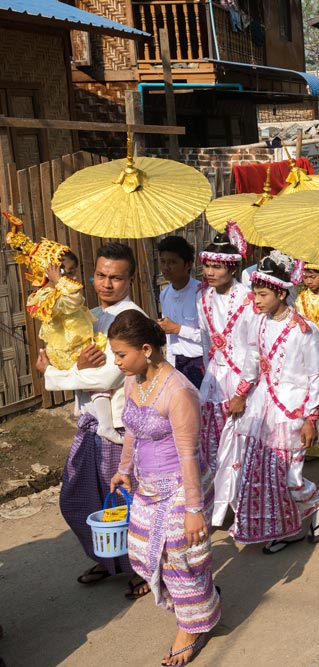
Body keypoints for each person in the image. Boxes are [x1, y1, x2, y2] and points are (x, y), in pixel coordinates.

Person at [107, 311, 219, 665]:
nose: (116, 361)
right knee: (143, 553)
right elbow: (132, 431)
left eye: (121, 354)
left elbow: (189, 456)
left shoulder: (180, 391)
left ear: (146, 348)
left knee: (179, 557)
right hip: (147, 485)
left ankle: (193, 626)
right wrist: (124, 469)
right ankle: (202, 599)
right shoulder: (133, 381)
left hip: (182, 487)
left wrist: (193, 511)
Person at [39, 242, 147, 596]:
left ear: (131, 279)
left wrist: (54, 377)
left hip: (119, 426)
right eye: (101, 275)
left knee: (122, 501)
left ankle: (140, 568)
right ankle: (109, 558)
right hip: (90, 421)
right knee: (78, 497)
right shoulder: (86, 314)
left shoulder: (132, 319)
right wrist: (71, 367)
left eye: (116, 277)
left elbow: (106, 377)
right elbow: (71, 359)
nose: (106, 284)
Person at [230, 254, 319, 552]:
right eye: (255, 294)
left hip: (292, 412)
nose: (256, 300)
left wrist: (312, 419)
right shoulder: (258, 323)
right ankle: (290, 527)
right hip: (263, 410)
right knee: (267, 476)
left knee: (292, 478)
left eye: (262, 294)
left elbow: (315, 377)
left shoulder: (304, 330)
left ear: (281, 293)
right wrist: (241, 393)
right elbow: (250, 362)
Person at [5, 215, 121, 446]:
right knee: (96, 382)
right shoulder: (49, 296)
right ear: (47, 273)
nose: (74, 277)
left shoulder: (59, 291)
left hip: (77, 345)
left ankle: (92, 415)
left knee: (95, 386)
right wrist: (59, 281)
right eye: (67, 272)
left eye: (74, 271)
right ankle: (106, 425)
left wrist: (60, 281)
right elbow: (75, 299)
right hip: (69, 350)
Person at [196, 228, 257, 528]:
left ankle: (244, 508)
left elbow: (255, 349)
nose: (210, 272)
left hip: (242, 384)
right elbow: (207, 344)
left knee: (241, 449)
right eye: (207, 265)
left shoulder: (248, 299)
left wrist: (243, 392)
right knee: (212, 446)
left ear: (232, 267)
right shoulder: (203, 298)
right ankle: (219, 505)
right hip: (214, 383)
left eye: (217, 266)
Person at [156, 237, 204, 390]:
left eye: (172, 262)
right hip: (176, 364)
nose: (166, 267)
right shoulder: (165, 295)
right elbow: (170, 340)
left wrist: (178, 329)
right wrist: (169, 367)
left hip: (200, 363)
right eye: (163, 262)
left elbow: (210, 338)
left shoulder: (202, 294)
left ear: (188, 264)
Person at [294, 263, 319, 350]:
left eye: (313, 277)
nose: (309, 281)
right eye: (305, 278)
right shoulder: (301, 299)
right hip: (308, 344)